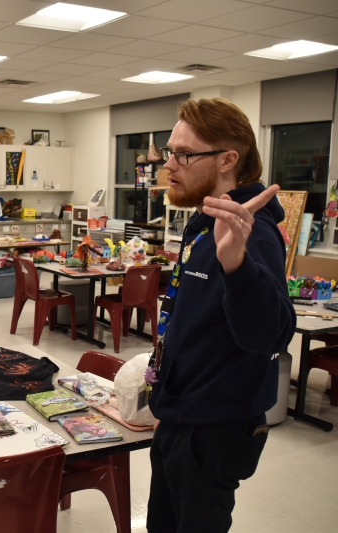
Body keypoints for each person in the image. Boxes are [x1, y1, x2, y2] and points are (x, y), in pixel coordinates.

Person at [146, 97, 295, 533]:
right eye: (170, 151)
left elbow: (272, 336)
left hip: (212, 431)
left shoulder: (254, 233)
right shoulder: (203, 221)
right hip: (179, 413)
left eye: (184, 154)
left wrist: (237, 265)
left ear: (229, 159)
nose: (169, 164)